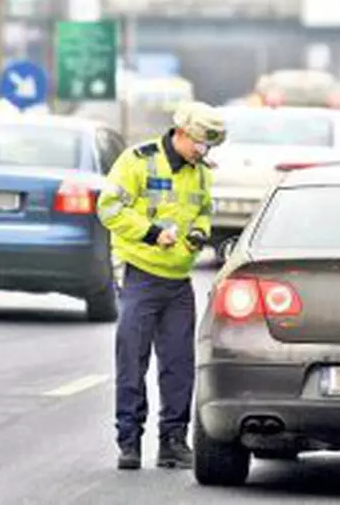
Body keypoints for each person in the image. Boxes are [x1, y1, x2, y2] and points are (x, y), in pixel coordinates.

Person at [96, 101, 227, 471]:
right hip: (139, 275)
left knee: (179, 365)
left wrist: (201, 230)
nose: (203, 152)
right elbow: (108, 208)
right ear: (181, 133)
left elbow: (202, 208)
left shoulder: (200, 171)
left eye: (208, 147)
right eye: (200, 143)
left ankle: (173, 441)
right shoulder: (137, 161)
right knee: (132, 360)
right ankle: (129, 441)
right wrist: (152, 233)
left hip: (178, 282)